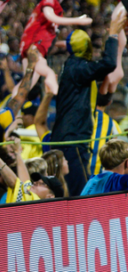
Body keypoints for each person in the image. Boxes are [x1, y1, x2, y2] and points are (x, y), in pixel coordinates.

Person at [50, 11, 125, 196]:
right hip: (72, 138)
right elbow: (108, 63)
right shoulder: (78, 68)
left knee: (69, 192)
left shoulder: (71, 66)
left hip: (65, 137)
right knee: (82, 194)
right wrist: (113, 33)